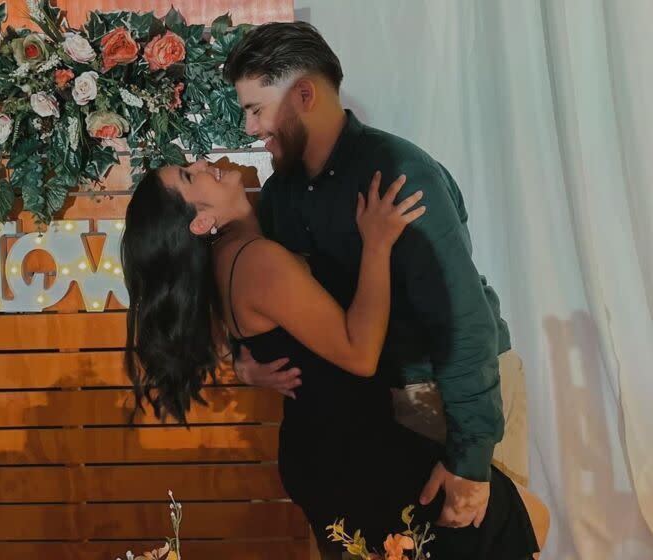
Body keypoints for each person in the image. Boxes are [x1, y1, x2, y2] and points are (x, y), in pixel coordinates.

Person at [120, 160, 547, 558]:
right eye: (189, 177)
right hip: (350, 450)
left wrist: (242, 364)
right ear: (201, 221)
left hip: (335, 443)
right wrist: (377, 244)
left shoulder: (229, 256)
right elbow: (359, 355)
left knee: (515, 525)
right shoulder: (256, 259)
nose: (200, 164)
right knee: (525, 522)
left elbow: (248, 331)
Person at [223, 21, 533, 537]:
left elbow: (462, 321)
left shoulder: (399, 173)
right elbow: (273, 305)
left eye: (256, 109)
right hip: (374, 410)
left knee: (480, 543)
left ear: (303, 95)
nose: (250, 128)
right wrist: (244, 363)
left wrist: (470, 458)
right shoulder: (281, 195)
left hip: (444, 393)